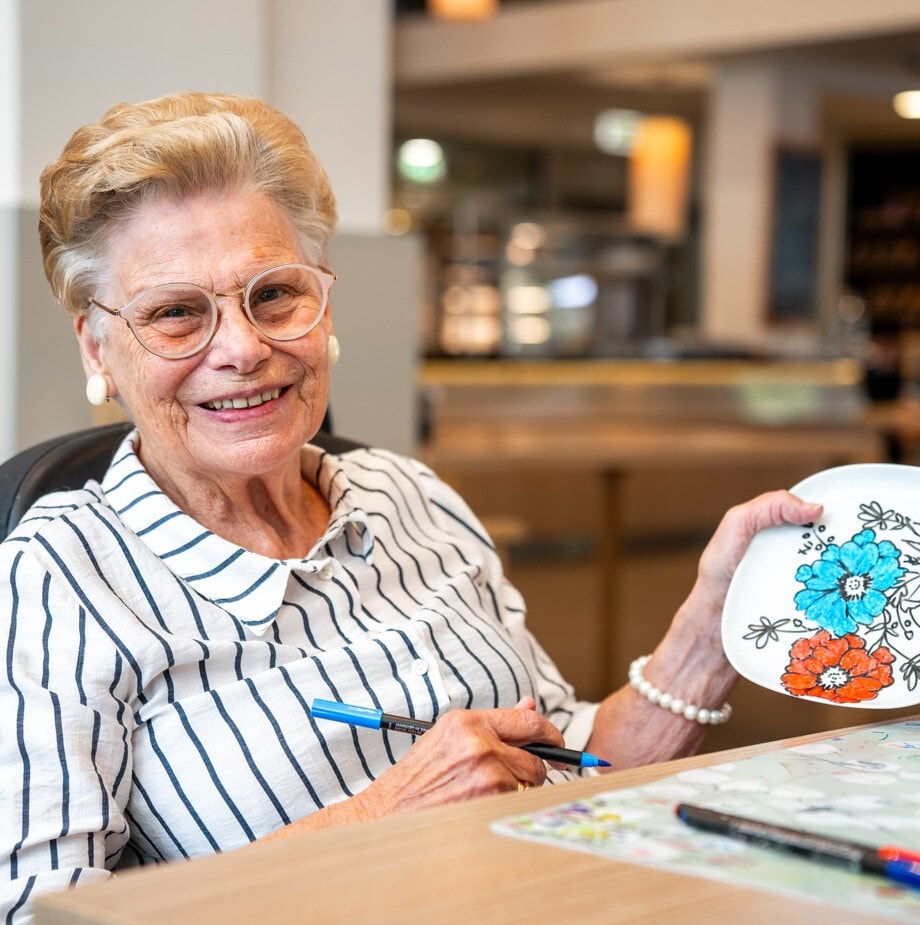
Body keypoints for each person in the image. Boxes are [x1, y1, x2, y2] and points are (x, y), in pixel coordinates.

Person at [0, 91, 821, 920]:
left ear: (324, 300)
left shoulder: (409, 495)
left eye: (275, 295)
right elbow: (37, 910)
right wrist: (378, 818)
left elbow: (574, 768)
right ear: (97, 344)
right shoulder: (58, 580)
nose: (244, 348)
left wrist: (713, 631)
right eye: (176, 314)